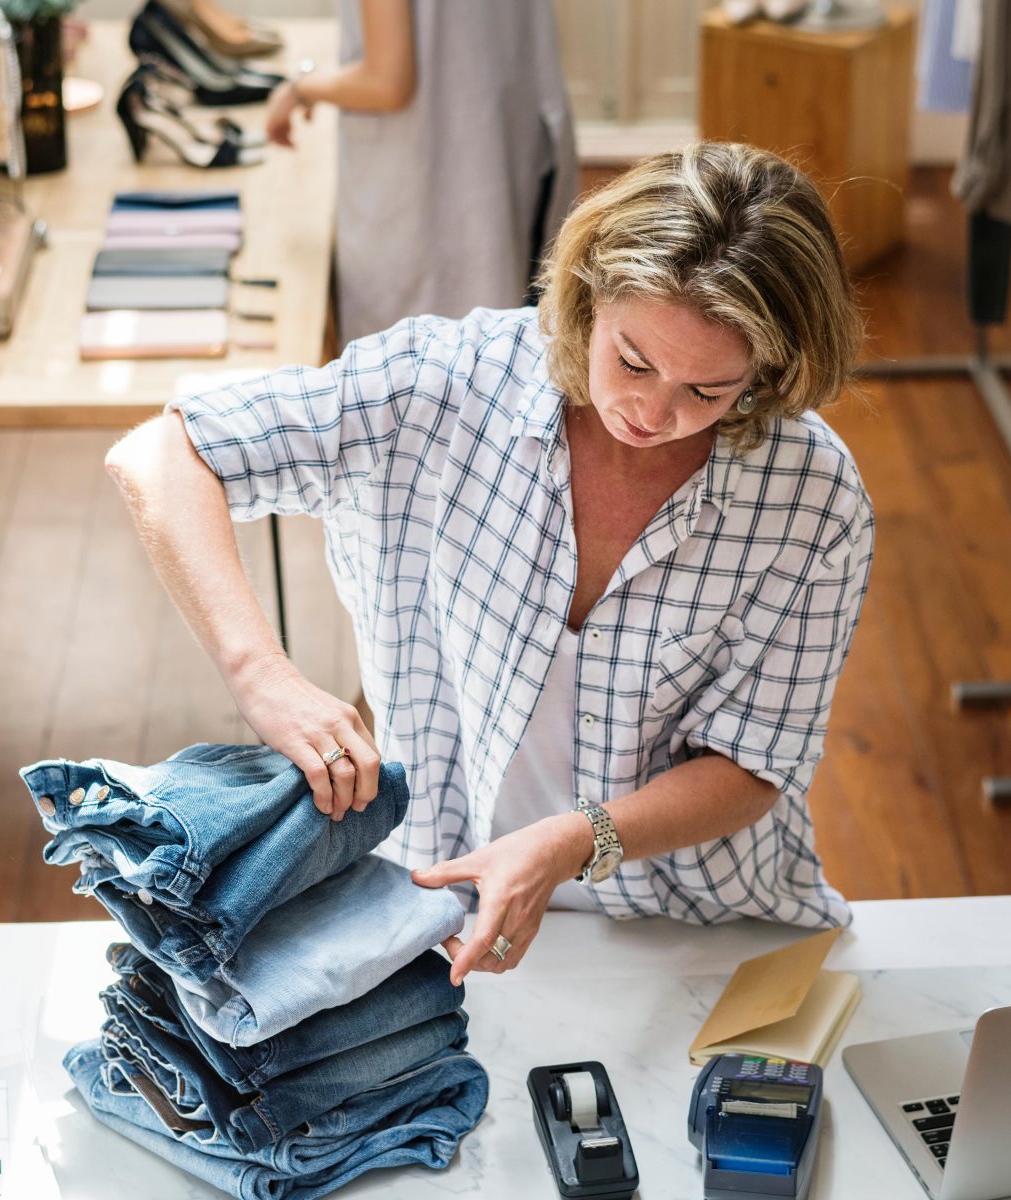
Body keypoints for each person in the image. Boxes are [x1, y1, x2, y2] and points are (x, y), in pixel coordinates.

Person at [106, 143, 873, 986]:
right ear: (590, 295)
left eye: (709, 391)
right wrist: (261, 675)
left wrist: (575, 842)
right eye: (632, 360)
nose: (652, 414)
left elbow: (756, 761)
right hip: (444, 897)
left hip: (698, 920)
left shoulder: (814, 495)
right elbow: (164, 451)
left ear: (767, 372)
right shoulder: (444, 384)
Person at [263, 0, 580, 346]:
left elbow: (386, 83)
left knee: (413, 364)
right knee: (494, 341)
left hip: (426, 179)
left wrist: (300, 88)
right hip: (503, 137)